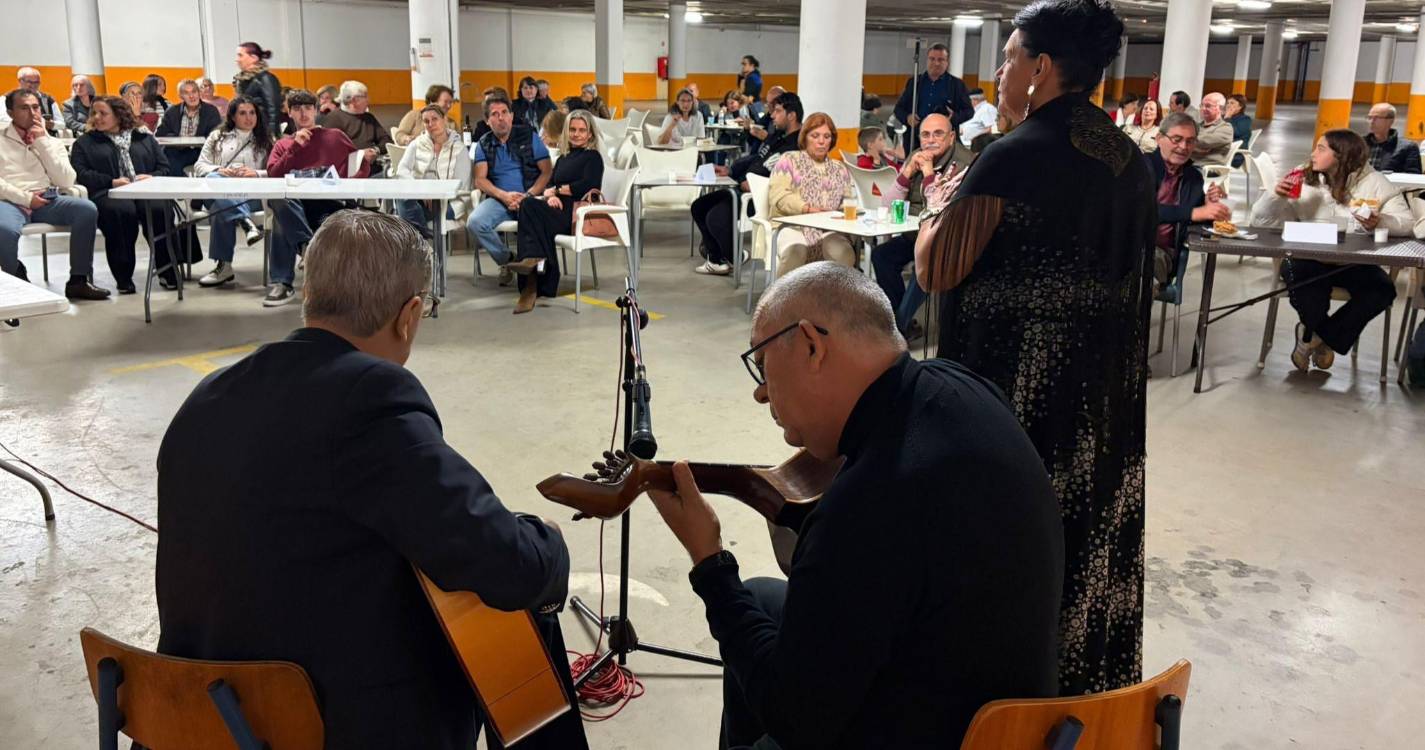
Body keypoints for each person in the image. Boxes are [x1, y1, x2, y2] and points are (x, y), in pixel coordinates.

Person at [154, 209, 588, 750]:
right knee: (508, 619)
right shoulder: (370, 397)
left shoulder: (208, 395)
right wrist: (549, 545)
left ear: (309, 292)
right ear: (409, 315)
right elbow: (504, 562)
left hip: (192, 713)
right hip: (304, 725)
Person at [648, 262, 1064, 748]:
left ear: (811, 345)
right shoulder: (958, 386)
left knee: (759, 661)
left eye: (762, 364)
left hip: (945, 734)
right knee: (760, 598)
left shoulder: (871, 501)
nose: (761, 393)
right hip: (1012, 716)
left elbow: (794, 719)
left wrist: (709, 561)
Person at [915, 0, 1155, 696]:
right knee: (1083, 535)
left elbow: (936, 269)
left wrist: (935, 214)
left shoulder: (1013, 155)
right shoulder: (1126, 159)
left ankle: (1003, 697)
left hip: (1014, 397)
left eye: (1008, 58)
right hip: (1098, 401)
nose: (999, 73)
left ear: (1041, 67)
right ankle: (1078, 688)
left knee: (1012, 542)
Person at [1249, 129, 1409, 372]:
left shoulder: (1375, 182)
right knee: (1310, 293)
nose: (1313, 154)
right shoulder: (1302, 179)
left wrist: (1381, 221)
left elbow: (1406, 223)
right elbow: (1259, 224)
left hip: (1354, 262)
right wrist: (1275, 197)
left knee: (1383, 290)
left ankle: (1312, 337)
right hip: (1306, 258)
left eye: (1321, 149)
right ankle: (1323, 337)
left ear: (1341, 155)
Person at [70, 96, 202, 294]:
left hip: (146, 190)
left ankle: (168, 270)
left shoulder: (143, 138)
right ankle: (123, 276)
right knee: (121, 212)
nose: (97, 117)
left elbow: (164, 167)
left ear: (119, 115)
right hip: (108, 193)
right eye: (94, 113)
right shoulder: (84, 142)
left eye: (103, 113)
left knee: (159, 210)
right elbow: (81, 173)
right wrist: (111, 181)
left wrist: (151, 177)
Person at [263, 88, 370, 307]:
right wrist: (295, 147)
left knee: (282, 220)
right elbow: (274, 175)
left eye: (308, 108)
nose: (303, 114)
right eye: (297, 109)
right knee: (280, 202)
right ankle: (305, 248)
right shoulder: (283, 144)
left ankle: (286, 277)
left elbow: (360, 165)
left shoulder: (335, 136)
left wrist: (350, 184)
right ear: (289, 113)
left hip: (330, 204)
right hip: (297, 207)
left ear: (316, 111)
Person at [870, 113, 972, 338]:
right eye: (925, 135)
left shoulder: (964, 163)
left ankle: (896, 330)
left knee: (924, 265)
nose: (931, 140)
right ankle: (902, 322)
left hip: (946, 241)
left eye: (938, 134)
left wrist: (928, 173)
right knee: (882, 256)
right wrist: (907, 172)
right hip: (915, 234)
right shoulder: (916, 156)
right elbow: (887, 205)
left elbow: (938, 210)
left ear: (951, 137)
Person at [0, 89, 108, 300]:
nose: (32, 113)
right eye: (24, 108)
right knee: (4, 230)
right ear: (11, 113)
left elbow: (66, 181)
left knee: (86, 210)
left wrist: (42, 142)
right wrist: (26, 199)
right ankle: (16, 275)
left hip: (47, 199)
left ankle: (78, 280)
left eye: (35, 107)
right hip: (10, 200)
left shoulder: (51, 141)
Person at [691, 91, 803, 276]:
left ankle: (733, 256)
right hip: (743, 187)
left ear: (791, 115)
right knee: (699, 206)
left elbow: (786, 179)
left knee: (715, 217)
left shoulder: (796, 146)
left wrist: (757, 185)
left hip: (760, 196)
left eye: (777, 111)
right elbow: (757, 158)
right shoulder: (777, 136)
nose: (772, 115)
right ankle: (717, 261)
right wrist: (731, 170)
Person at [505, 110, 603, 313]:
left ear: (590, 134)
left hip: (574, 215)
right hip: (556, 209)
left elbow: (587, 186)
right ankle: (534, 274)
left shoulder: (593, 158)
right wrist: (551, 196)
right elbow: (550, 184)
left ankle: (531, 278)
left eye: (582, 130)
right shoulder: (564, 158)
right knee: (529, 206)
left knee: (529, 207)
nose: (576, 134)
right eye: (572, 129)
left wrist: (557, 190)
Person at [466, 97, 553, 285]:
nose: (501, 118)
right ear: (487, 120)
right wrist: (504, 196)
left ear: (512, 116)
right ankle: (508, 260)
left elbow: (546, 172)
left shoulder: (529, 136)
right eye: (495, 114)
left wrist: (527, 196)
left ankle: (536, 277)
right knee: (475, 222)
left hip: (530, 197)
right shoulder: (483, 143)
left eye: (505, 112)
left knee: (536, 224)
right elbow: (480, 179)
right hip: (500, 199)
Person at [192, 96, 272, 288]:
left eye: (252, 113)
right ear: (233, 117)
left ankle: (224, 267)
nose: (248, 118)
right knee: (214, 180)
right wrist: (218, 170)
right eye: (242, 113)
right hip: (219, 188)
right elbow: (199, 165)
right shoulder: (217, 136)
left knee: (221, 208)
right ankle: (246, 222)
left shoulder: (266, 139)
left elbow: (275, 170)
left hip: (252, 195)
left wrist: (256, 173)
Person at [1147, 113, 1229, 297]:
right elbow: (1141, 211)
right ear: (1159, 138)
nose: (1183, 147)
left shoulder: (1193, 177)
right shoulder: (1141, 167)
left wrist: (1212, 208)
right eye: (1177, 139)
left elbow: (1201, 224)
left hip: (1158, 254)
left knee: (1138, 281)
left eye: (1190, 141)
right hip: (1125, 243)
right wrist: (1194, 212)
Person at [768, 112, 857, 275]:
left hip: (828, 228)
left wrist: (843, 213)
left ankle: (832, 291)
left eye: (826, 136)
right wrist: (807, 209)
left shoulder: (839, 168)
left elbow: (847, 201)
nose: (821, 141)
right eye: (815, 136)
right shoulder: (789, 160)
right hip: (792, 226)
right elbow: (779, 196)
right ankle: (783, 292)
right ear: (805, 137)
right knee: (795, 251)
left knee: (844, 253)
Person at [395, 105, 472, 240]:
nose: (430, 124)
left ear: (444, 119)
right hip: (421, 200)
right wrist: (422, 190)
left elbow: (461, 186)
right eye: (426, 121)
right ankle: (424, 237)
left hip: (450, 203)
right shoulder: (416, 144)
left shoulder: (459, 149)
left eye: (434, 119)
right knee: (402, 197)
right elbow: (402, 170)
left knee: (406, 217)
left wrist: (435, 193)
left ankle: (420, 240)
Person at [893, 43, 974, 152]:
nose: (936, 63)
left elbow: (969, 111)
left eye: (941, 60)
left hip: (944, 142)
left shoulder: (956, 85)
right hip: (916, 141)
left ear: (947, 62)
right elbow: (898, 109)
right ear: (927, 60)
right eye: (932, 59)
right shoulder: (915, 82)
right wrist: (907, 118)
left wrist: (953, 118)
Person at [318, 81, 392, 175]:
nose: (368, 100)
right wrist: (360, 156)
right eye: (365, 96)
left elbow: (387, 141)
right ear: (354, 100)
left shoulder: (369, 118)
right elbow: (331, 153)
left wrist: (375, 150)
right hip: (348, 174)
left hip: (373, 170)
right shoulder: (333, 120)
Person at [156, 79, 223, 176]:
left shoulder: (211, 111)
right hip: (177, 151)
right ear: (181, 96)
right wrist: (178, 140)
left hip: (202, 151)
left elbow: (216, 133)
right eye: (186, 93)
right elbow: (161, 134)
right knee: (169, 156)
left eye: (194, 92)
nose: (191, 96)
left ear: (199, 93)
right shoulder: (172, 111)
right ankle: (176, 184)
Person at [234, 42, 283, 139]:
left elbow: (273, 110)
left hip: (263, 134)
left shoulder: (266, 79)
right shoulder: (242, 80)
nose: (237, 59)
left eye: (240, 55)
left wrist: (272, 136)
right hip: (248, 132)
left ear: (254, 58)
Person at [1364, 102, 1421, 174]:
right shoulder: (1359, 144)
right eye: (1369, 117)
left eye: (1377, 118)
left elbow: (1413, 176)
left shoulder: (1408, 147)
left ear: (1390, 120)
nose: (1371, 122)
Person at [13, 68, 64, 132]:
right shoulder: (8, 99)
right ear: (20, 81)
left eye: (36, 82)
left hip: (45, 135)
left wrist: (49, 124)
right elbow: (4, 121)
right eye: (30, 82)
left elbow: (62, 124)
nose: (33, 85)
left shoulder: (48, 100)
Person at [1191, 92, 1232, 167]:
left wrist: (1189, 145)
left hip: (1202, 167)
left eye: (1208, 106)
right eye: (1201, 105)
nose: (1203, 108)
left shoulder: (1225, 128)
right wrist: (1195, 148)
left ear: (1220, 109)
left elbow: (1202, 141)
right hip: (1188, 164)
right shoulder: (1197, 126)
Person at [1225, 94, 1252, 167]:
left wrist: (1227, 118)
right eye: (1227, 103)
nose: (1228, 105)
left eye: (1232, 103)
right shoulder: (1225, 117)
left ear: (1240, 106)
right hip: (1222, 152)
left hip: (1235, 155)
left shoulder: (1245, 119)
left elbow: (1236, 133)